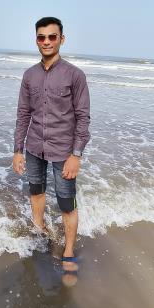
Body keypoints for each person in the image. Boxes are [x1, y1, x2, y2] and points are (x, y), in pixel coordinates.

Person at [12, 17, 91, 274]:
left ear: (61, 39)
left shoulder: (75, 75)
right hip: (34, 146)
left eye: (52, 37)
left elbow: (83, 117)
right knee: (36, 191)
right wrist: (18, 150)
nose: (46, 41)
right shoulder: (29, 75)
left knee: (66, 203)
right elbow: (23, 114)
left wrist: (76, 155)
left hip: (63, 150)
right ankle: (40, 230)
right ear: (36, 40)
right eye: (41, 37)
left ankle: (68, 251)